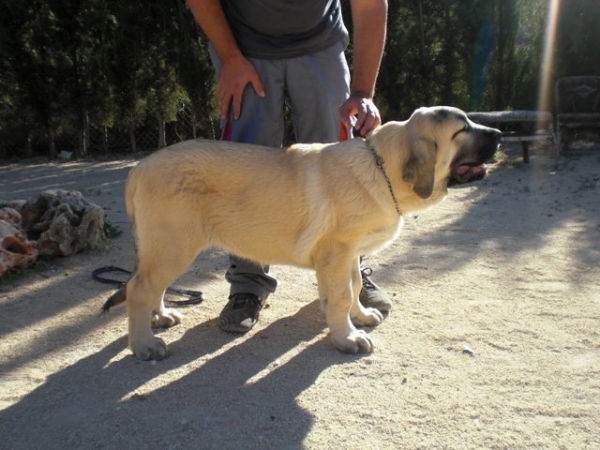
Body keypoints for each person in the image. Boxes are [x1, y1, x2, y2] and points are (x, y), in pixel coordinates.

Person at [186, 0, 391, 333]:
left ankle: (349, 276)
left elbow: (370, 7)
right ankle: (248, 283)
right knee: (246, 169)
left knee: (340, 167)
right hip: (243, 46)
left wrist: (363, 91)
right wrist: (231, 58)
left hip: (320, 42)